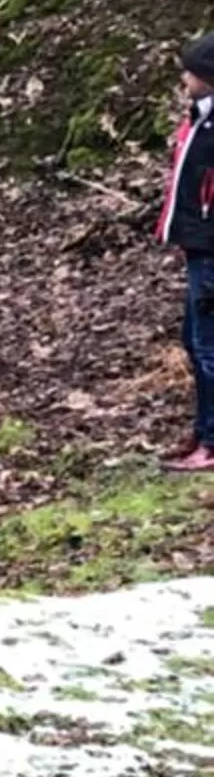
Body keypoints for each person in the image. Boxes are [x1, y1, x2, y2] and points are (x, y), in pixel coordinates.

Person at [159, 32, 214, 472]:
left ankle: (212, 442)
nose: (184, 77)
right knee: (192, 342)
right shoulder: (198, 118)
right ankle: (203, 429)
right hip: (197, 246)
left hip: (211, 250)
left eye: (191, 71)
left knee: (209, 344)